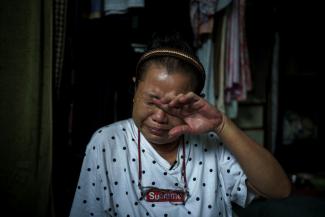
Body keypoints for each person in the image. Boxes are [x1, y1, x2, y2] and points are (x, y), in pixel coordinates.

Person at [69, 33, 291, 217]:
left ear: (195, 101)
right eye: (151, 101)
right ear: (135, 89)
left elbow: (279, 189)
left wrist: (223, 125)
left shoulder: (212, 144)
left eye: (174, 107)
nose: (159, 117)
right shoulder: (108, 143)